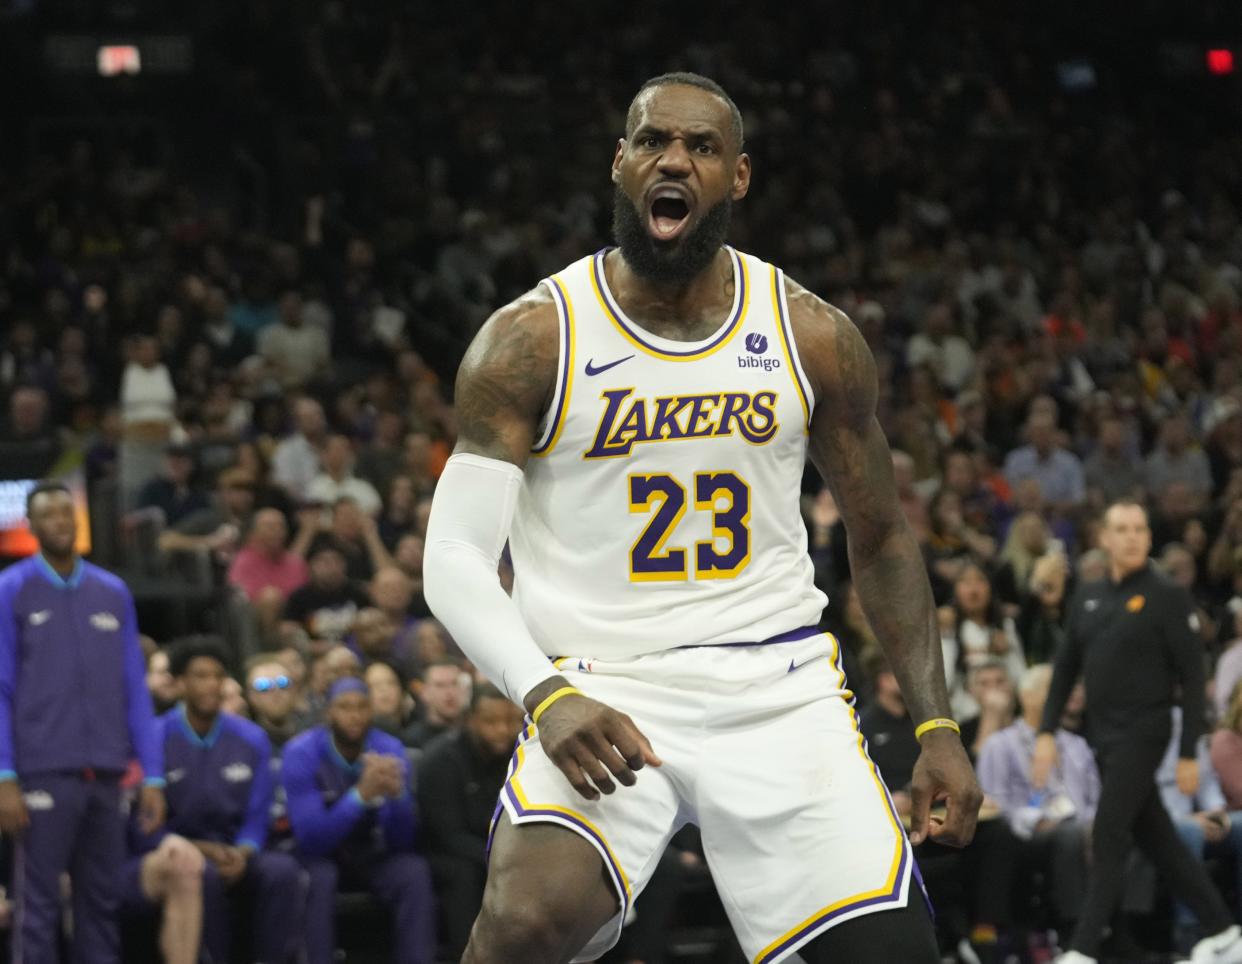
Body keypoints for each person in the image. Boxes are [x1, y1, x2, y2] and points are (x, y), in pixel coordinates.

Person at [423, 72, 979, 964]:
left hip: (777, 687)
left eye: (702, 147)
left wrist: (937, 726)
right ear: (620, 164)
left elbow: (880, 539)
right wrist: (546, 693)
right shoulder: (533, 339)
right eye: (652, 142)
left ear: (740, 177)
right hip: (602, 681)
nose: (673, 159)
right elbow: (452, 554)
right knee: (524, 927)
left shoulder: (811, 336)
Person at [1032, 499, 1242, 964]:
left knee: (1109, 833)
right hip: (1102, 737)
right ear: (1103, 538)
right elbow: (1065, 669)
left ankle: (1083, 950)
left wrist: (1188, 751)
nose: (1132, 536)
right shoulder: (1088, 596)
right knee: (1159, 838)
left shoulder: (1166, 594)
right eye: (1122, 529)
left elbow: (1192, 677)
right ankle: (1225, 932)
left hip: (1145, 732)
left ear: (1148, 537)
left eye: (1140, 529)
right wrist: (1045, 731)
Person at [0, 480, 166, 964]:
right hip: (41, 772)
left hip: (107, 774)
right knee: (39, 904)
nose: (60, 521)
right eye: (48, 514)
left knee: (101, 903)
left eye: (66, 513)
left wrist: (152, 774)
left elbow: (134, 687)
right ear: (30, 526)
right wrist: (5, 774)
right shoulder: (11, 590)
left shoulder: (112, 592)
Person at [155, 637, 305, 964]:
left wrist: (244, 850)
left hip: (237, 848)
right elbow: (150, 820)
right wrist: (203, 850)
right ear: (180, 683)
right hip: (180, 848)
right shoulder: (157, 737)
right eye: (200, 676)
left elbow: (258, 811)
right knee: (199, 873)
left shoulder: (251, 738)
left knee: (282, 871)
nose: (212, 685)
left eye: (217, 676)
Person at [282, 677, 437, 964]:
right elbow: (311, 839)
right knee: (319, 876)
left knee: (413, 871)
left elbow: (403, 841)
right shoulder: (301, 752)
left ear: (371, 711)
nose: (354, 715)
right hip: (319, 856)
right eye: (344, 707)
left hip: (368, 850)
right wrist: (359, 797)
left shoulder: (388, 748)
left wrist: (397, 799)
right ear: (328, 712)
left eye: (361, 707)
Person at [976, 664, 1098, 942]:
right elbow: (993, 804)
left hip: (1081, 826)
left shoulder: (1076, 744)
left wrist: (1093, 824)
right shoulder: (1000, 744)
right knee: (1069, 837)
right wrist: (1036, 820)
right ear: (1028, 697)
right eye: (1052, 689)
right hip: (1029, 834)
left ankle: (1125, 931)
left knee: (1116, 833)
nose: (1062, 695)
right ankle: (1074, 934)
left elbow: (1095, 797)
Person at [418, 684, 525, 960]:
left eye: (509, 720)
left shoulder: (521, 757)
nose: (502, 729)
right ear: (470, 720)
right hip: (444, 854)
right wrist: (500, 859)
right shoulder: (441, 759)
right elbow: (447, 835)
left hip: (500, 850)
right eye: (491, 721)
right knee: (464, 874)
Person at [405, 658, 468, 749]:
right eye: (440, 685)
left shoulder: (477, 734)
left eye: (455, 683)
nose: (449, 692)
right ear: (424, 693)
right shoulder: (411, 740)